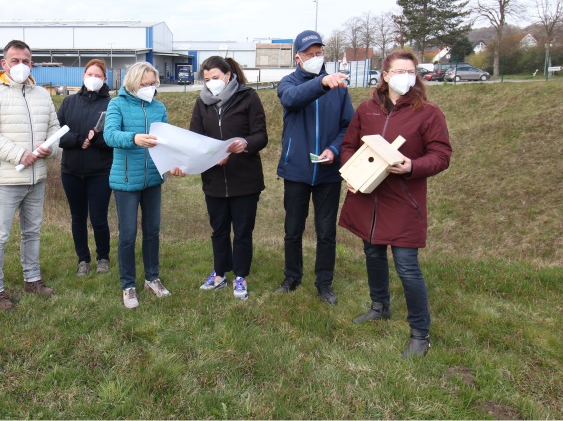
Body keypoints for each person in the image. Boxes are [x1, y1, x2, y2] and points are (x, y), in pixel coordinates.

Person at [339, 49, 451, 358]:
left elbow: (441, 155)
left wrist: (412, 166)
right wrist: (352, 172)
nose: (406, 76)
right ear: (385, 75)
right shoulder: (366, 110)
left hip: (403, 202)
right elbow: (349, 145)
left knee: (407, 266)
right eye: (399, 71)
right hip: (367, 199)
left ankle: (419, 333)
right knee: (372, 253)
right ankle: (379, 306)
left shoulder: (428, 113)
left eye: (410, 71)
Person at [0, 39, 61, 310]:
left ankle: (32, 279)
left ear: (31, 64)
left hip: (37, 178)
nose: (21, 65)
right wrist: (17, 154)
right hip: (7, 179)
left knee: (32, 232)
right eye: (15, 61)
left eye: (26, 61)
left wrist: (50, 148)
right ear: (4, 64)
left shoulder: (42, 95)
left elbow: (54, 127)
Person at [275, 30, 353, 304]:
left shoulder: (339, 88)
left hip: (328, 172)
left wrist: (333, 149)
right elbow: (291, 99)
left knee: (326, 231)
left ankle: (324, 282)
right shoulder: (288, 82)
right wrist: (322, 83)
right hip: (296, 169)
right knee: (293, 228)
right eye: (309, 54)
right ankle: (292, 276)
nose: (315, 58)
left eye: (319, 53)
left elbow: (348, 126)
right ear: (298, 57)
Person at [181, 56, 268, 301]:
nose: (211, 83)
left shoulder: (248, 97)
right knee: (218, 230)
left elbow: (261, 135)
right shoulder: (201, 103)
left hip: (245, 179)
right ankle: (219, 274)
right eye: (207, 80)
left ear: (228, 75)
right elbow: (195, 139)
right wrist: (208, 156)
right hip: (214, 180)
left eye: (215, 78)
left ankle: (240, 276)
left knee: (242, 231)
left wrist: (245, 143)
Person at [104, 61, 175, 309]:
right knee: (128, 234)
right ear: (133, 83)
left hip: (153, 179)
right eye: (144, 84)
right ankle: (128, 285)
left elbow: (166, 141)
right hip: (125, 181)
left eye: (153, 83)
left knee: (152, 231)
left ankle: (152, 278)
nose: (149, 88)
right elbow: (109, 135)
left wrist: (173, 162)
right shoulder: (117, 104)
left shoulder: (159, 107)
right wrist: (133, 138)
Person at [57, 59, 113, 276]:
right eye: (90, 74)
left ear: (105, 79)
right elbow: (56, 133)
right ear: (83, 76)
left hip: (100, 171)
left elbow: (114, 138)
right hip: (71, 170)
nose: (93, 78)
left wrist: (97, 139)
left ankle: (103, 257)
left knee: (98, 218)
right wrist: (78, 139)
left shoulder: (112, 105)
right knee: (78, 217)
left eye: (98, 75)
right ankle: (83, 259)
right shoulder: (69, 103)